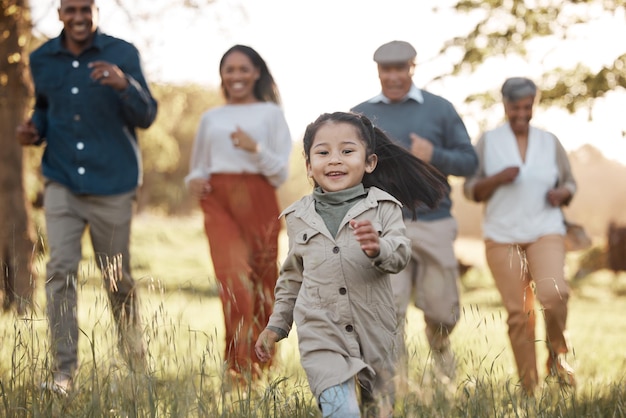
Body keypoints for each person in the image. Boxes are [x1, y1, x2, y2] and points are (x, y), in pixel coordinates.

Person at [255, 112, 447, 418]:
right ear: (308, 165)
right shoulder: (297, 216)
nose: (334, 160)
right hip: (321, 333)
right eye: (322, 152)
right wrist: (276, 325)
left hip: (376, 333)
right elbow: (291, 278)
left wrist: (377, 248)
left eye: (347, 151)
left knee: (379, 411)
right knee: (341, 411)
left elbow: (400, 254)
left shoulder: (384, 207)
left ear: (369, 162)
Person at [15, 0, 157, 395]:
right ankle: (63, 374)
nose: (78, 17)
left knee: (116, 277)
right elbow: (45, 111)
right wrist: (33, 131)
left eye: (85, 9)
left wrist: (123, 85)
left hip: (113, 182)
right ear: (58, 12)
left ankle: (135, 368)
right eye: (69, 10)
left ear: (96, 11)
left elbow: (147, 115)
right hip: (61, 180)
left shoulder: (123, 54)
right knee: (60, 270)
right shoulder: (42, 58)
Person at [351, 40, 478, 385]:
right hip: (382, 225)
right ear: (378, 71)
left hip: (434, 221)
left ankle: (440, 346)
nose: (392, 76)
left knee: (442, 310)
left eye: (400, 69)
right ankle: (395, 386)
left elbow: (470, 162)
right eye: (385, 70)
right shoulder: (359, 115)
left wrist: (434, 154)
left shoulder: (440, 109)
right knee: (389, 309)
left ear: (413, 68)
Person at [185, 45, 292, 381]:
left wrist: (254, 148)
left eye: (243, 69)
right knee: (233, 283)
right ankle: (238, 367)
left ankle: (262, 362)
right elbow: (196, 168)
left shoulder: (271, 114)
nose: (236, 76)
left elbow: (280, 174)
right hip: (219, 201)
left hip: (260, 198)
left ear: (256, 72)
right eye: (229, 69)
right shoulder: (211, 118)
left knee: (264, 283)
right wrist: (194, 181)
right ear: (222, 75)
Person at [463, 77, 576, 395]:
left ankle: (557, 359)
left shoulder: (549, 141)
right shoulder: (488, 141)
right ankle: (530, 386)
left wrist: (562, 193)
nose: (523, 113)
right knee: (519, 313)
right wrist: (497, 178)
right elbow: (471, 189)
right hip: (502, 236)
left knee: (555, 296)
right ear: (505, 105)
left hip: (545, 230)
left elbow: (570, 183)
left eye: (528, 107)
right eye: (516, 107)